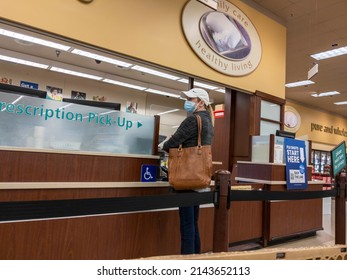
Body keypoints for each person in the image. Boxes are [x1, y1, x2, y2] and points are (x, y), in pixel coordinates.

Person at [162, 88, 214, 255]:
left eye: (191, 99)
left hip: (186, 178)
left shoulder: (193, 120)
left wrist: (165, 144)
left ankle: (187, 262)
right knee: (193, 222)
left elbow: (171, 143)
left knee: (187, 224)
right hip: (198, 177)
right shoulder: (208, 121)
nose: (188, 102)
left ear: (201, 102)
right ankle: (196, 259)